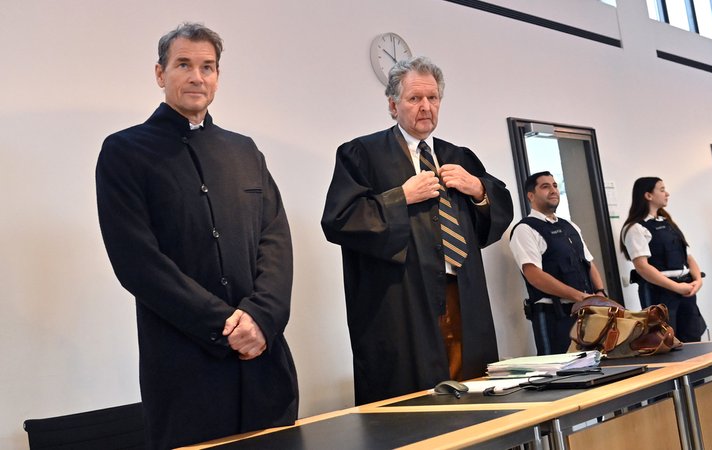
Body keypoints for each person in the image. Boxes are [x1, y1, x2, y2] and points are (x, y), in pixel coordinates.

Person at [95, 23, 298, 449]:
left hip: (263, 358)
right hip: (185, 366)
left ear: (218, 77)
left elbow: (275, 239)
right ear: (159, 73)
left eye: (208, 67)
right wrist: (222, 324)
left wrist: (261, 319)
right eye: (183, 64)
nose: (196, 77)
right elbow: (138, 262)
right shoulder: (124, 152)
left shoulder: (245, 151)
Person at [321, 56, 513, 405]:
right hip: (401, 303)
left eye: (433, 98)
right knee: (415, 398)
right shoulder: (361, 154)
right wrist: (400, 197)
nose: (425, 107)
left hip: (462, 295)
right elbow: (339, 219)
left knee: (471, 390)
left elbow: (498, 212)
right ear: (393, 105)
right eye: (414, 99)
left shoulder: (460, 156)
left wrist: (478, 189)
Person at [509, 171, 606, 355]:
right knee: (560, 372)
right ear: (531, 195)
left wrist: (599, 293)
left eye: (554, 185)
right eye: (545, 186)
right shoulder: (525, 229)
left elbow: (588, 262)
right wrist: (578, 296)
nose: (553, 190)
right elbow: (534, 275)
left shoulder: (570, 226)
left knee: (596, 365)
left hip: (586, 312)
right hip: (554, 315)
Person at [620, 177, 706, 342]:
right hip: (660, 293)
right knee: (666, 341)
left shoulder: (668, 223)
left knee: (692, 338)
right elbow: (642, 267)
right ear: (648, 195)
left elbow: (687, 256)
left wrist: (697, 280)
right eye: (661, 189)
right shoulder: (636, 228)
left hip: (686, 289)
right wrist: (676, 287)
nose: (667, 194)